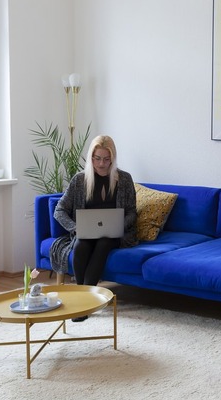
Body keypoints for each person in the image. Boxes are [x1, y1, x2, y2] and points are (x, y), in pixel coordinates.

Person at [50, 135, 137, 321]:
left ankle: (84, 302)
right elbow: (59, 210)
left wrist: (119, 224)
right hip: (86, 232)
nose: (102, 163)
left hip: (114, 234)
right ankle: (84, 299)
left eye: (106, 159)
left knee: (104, 243)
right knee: (81, 245)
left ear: (113, 158)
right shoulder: (79, 180)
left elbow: (132, 212)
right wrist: (75, 227)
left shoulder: (124, 179)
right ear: (91, 157)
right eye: (97, 158)